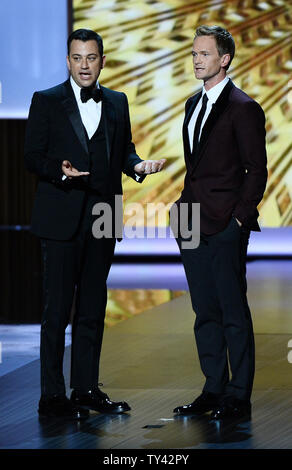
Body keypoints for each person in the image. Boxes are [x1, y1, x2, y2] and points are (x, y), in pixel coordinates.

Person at [24, 28, 165, 420]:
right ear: (67, 61)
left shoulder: (118, 102)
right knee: (56, 311)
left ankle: (85, 388)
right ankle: (52, 395)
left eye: (91, 58)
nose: (84, 65)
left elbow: (125, 151)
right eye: (77, 58)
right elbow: (32, 156)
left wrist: (137, 166)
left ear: (102, 61)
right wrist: (61, 171)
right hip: (61, 217)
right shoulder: (47, 101)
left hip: (103, 217)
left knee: (91, 306)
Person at [173, 25, 267, 419]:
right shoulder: (192, 104)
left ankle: (237, 395)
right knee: (204, 310)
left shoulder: (243, 107)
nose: (197, 59)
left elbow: (256, 170)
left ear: (224, 59)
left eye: (204, 54)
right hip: (191, 220)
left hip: (225, 224)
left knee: (232, 310)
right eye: (194, 53)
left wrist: (238, 220)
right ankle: (213, 389)